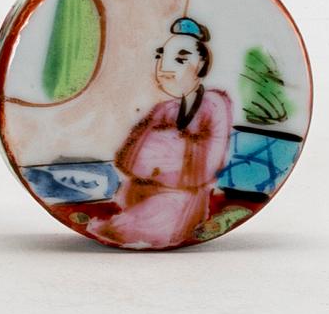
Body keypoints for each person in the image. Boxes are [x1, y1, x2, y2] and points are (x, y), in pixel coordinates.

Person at [92, 17, 233, 249]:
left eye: (180, 59)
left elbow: (208, 165)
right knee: (118, 222)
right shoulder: (165, 109)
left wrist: (162, 151)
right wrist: (170, 151)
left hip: (183, 198)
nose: (165, 68)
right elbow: (129, 157)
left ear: (201, 64)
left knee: (128, 230)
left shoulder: (215, 105)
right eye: (161, 57)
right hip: (140, 191)